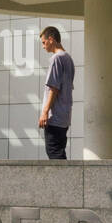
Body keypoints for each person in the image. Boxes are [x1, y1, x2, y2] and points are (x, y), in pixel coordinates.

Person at [38, 26, 74, 160]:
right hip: (64, 117)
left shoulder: (56, 58)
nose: (43, 46)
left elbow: (54, 87)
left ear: (51, 39)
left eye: (43, 42)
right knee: (59, 152)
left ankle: (67, 181)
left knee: (54, 154)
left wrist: (44, 112)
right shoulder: (68, 59)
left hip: (55, 117)